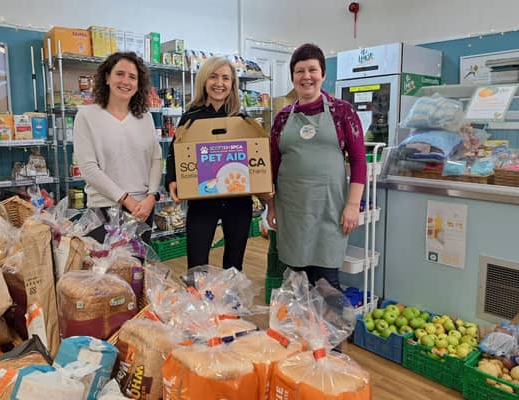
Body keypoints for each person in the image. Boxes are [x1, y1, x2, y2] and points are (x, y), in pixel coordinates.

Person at [266, 43, 367, 291]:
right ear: (292, 77)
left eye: (312, 70)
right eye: (300, 71)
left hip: (329, 210)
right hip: (292, 212)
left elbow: (358, 161)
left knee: (327, 283)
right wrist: (270, 207)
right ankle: (299, 330)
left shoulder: (342, 112)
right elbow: (272, 166)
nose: (306, 76)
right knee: (297, 281)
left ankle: (335, 331)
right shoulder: (281, 118)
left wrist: (353, 205)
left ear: (322, 74)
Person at [165, 56, 251, 271]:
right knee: (197, 261)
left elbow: (254, 156)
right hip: (202, 201)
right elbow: (175, 152)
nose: (219, 83)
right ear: (204, 80)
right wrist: (172, 179)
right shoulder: (191, 117)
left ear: (232, 85)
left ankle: (230, 303)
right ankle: (197, 303)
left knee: (234, 263)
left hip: (238, 201)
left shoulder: (242, 119)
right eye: (213, 77)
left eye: (225, 78)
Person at [74, 51, 162, 244]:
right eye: (119, 74)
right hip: (104, 208)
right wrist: (127, 200)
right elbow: (89, 169)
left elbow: (156, 159)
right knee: (105, 271)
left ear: (139, 84)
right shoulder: (86, 116)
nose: (126, 81)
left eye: (132, 77)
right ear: (107, 77)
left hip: (143, 208)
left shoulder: (144, 117)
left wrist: (152, 196)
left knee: (136, 270)